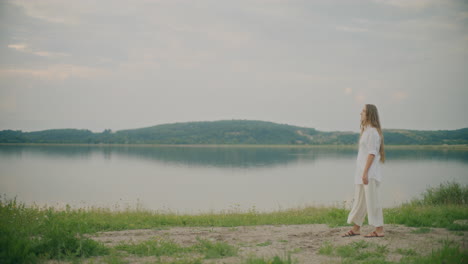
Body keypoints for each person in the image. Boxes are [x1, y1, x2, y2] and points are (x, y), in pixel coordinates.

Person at [342, 104, 386, 238]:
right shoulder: (366, 131)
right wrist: (362, 173)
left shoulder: (373, 132)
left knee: (372, 201)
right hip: (362, 173)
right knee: (360, 201)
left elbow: (372, 153)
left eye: (363, 111)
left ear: (369, 114)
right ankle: (356, 228)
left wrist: (366, 172)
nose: (360, 113)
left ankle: (379, 230)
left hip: (369, 173)